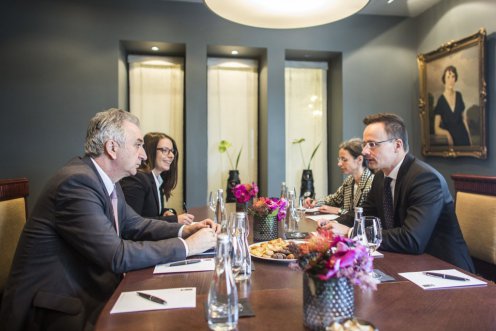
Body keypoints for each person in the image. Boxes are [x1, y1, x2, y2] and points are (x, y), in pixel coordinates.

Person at [0, 109, 220, 331]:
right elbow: (116, 255)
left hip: (88, 289)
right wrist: (188, 247)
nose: (144, 154)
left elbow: (135, 224)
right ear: (112, 147)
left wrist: (185, 230)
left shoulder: (107, 180)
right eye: (138, 145)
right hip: (55, 308)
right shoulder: (76, 183)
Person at [325, 113, 474, 272]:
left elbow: (412, 239)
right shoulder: (380, 177)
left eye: (372, 144)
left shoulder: (425, 179)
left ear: (397, 145)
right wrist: (332, 225)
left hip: (444, 269)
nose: (365, 151)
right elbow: (363, 214)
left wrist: (350, 232)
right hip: (407, 262)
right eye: (365, 144)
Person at [120, 132, 194, 225]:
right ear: (149, 151)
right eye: (165, 150)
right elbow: (133, 222)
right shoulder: (137, 179)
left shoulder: (156, 179)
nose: (171, 155)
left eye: (172, 151)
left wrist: (167, 212)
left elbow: (151, 211)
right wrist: (174, 220)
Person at [303, 138, 374, 216]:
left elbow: (364, 215)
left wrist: (339, 211)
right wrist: (314, 202)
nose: (339, 164)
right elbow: (334, 199)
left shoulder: (372, 183)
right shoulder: (349, 180)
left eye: (344, 159)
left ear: (359, 159)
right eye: (339, 159)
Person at [433, 65, 471, 146]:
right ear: (444, 79)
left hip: (464, 139)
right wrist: (447, 134)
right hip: (452, 142)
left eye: (453, 77)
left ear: (455, 79)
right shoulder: (441, 101)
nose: (451, 80)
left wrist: (470, 139)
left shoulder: (459, 95)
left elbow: (464, 120)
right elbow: (436, 129)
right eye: (448, 77)